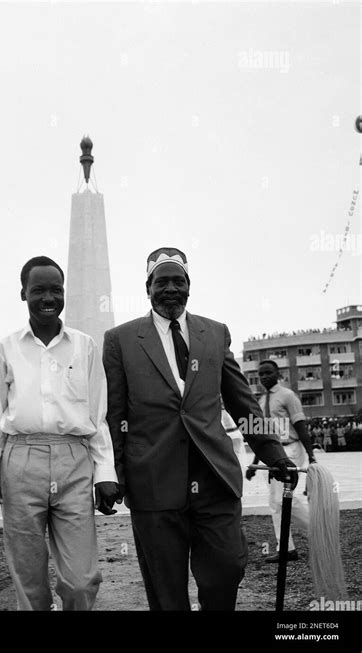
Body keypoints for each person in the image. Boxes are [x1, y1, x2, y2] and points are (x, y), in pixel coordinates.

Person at [102, 247, 297, 611]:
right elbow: (114, 415)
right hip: (153, 482)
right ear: (148, 288)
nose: (171, 288)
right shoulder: (121, 340)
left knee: (227, 568)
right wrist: (112, 473)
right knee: (166, 591)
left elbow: (242, 403)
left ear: (189, 285)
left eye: (179, 281)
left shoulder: (215, 333)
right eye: (162, 282)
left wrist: (274, 454)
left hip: (213, 478)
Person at [0, 255, 119, 611]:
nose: (49, 297)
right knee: (29, 576)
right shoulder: (5, 348)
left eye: (56, 289)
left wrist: (105, 472)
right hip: (20, 460)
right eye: (39, 290)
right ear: (23, 293)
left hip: (74, 460)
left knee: (81, 581)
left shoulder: (85, 346)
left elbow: (98, 416)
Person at [246, 360, 316, 562]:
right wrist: (255, 462)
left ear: (278, 373)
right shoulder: (260, 402)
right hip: (274, 453)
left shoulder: (287, 395)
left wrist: (311, 456)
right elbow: (262, 436)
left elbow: (300, 425)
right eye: (260, 374)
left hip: (290, 449)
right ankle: (287, 548)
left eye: (268, 372)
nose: (264, 377)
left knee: (282, 499)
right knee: (275, 503)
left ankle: (317, 531)